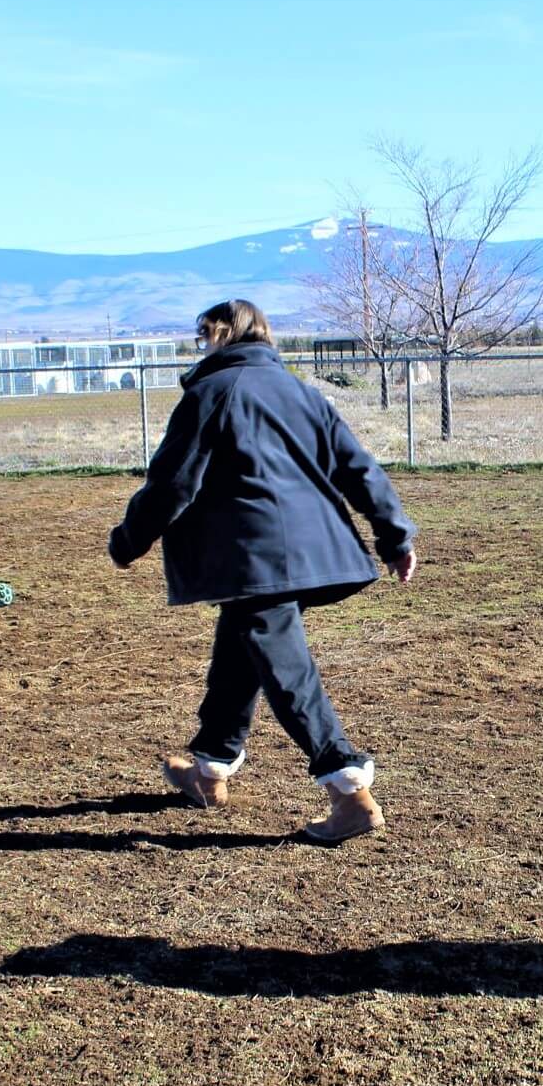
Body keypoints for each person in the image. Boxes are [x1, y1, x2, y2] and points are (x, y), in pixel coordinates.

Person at [108, 298, 417, 843]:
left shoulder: (212, 391)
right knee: (240, 648)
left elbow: (172, 484)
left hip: (254, 557)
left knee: (285, 668)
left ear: (224, 333)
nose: (202, 346)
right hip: (309, 550)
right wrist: (393, 534)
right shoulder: (302, 393)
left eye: (205, 336)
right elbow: (358, 467)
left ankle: (348, 789)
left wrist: (129, 540)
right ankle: (210, 768)